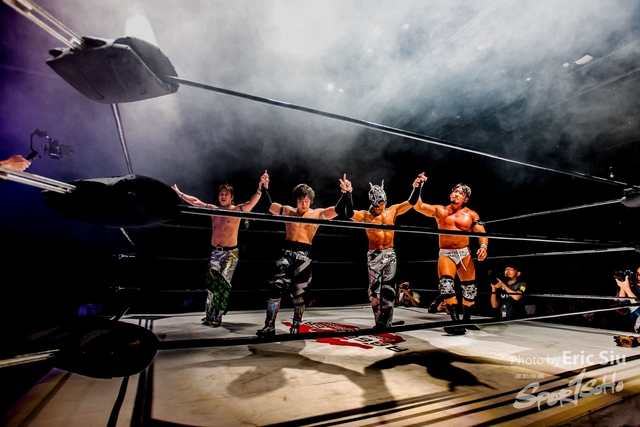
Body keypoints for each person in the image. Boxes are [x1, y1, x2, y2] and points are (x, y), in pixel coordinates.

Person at [171, 170, 268, 327]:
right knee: (212, 285)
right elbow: (196, 202)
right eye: (221, 194)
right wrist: (180, 194)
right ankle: (209, 315)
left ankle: (218, 315)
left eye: (226, 194)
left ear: (231, 197)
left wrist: (260, 188)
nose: (223, 196)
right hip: (215, 252)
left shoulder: (236, 211)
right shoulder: (213, 210)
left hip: (231, 253)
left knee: (223, 284)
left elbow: (251, 203)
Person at [256, 178, 343, 336]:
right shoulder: (288, 211)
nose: (303, 204)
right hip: (287, 255)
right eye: (301, 201)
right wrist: (264, 188)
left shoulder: (317, 214)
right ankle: (269, 326)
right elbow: (269, 205)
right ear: (296, 200)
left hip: (304, 257)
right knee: (275, 287)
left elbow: (338, 210)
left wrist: (346, 194)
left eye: (306, 201)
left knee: (299, 295)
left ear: (311, 201)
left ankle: (296, 325)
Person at [336, 173, 423, 328]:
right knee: (374, 291)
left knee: (389, 289)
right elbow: (349, 213)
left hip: (390, 254)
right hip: (374, 255)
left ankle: (385, 321)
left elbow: (411, 202)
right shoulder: (365, 216)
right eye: (380, 202)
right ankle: (380, 322)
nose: (383, 205)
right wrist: (348, 194)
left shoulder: (392, 211)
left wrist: (417, 186)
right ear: (374, 202)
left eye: (384, 202)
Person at [412, 174, 488, 335]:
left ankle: (466, 320)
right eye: (454, 191)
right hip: (446, 254)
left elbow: (481, 232)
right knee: (446, 285)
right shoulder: (440, 210)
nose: (456, 194)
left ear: (466, 198)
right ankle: (455, 322)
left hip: (464, 253)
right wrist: (418, 187)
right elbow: (418, 206)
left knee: (470, 289)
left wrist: (483, 246)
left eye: (460, 193)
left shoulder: (471, 214)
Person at [614, 266, 640, 333]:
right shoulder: (633, 287)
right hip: (631, 331)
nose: (638, 277)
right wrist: (623, 287)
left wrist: (627, 289)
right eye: (637, 274)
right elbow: (622, 309)